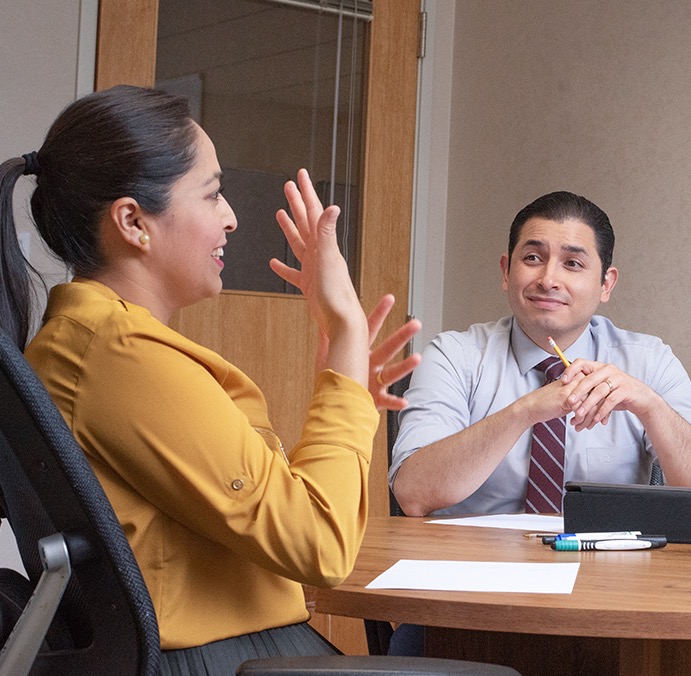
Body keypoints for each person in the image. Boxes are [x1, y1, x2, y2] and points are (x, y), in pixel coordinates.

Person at [0, 85, 421, 672]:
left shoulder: (91, 345)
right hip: (224, 662)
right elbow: (320, 545)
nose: (231, 217)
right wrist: (348, 334)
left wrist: (342, 388)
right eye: (213, 193)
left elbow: (277, 513)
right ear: (133, 222)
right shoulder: (120, 356)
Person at [389, 190, 691, 517]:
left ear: (606, 284)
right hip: (470, 569)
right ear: (505, 271)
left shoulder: (647, 360)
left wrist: (651, 407)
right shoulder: (454, 355)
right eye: (532, 258)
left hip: (604, 569)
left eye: (572, 264)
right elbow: (413, 494)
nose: (548, 279)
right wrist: (523, 412)